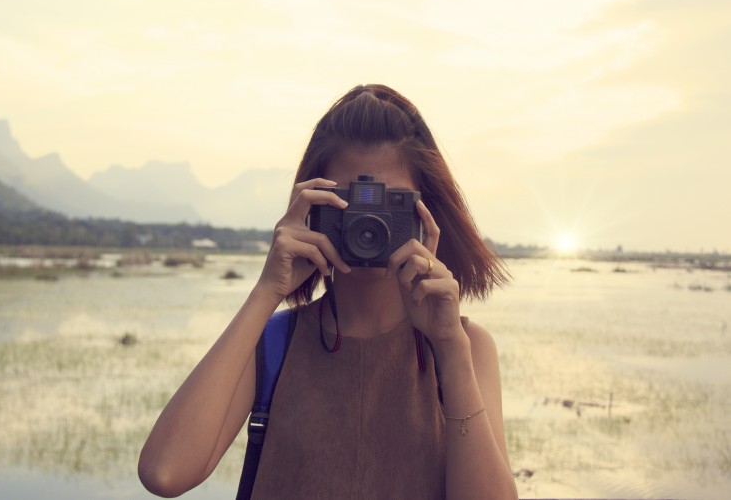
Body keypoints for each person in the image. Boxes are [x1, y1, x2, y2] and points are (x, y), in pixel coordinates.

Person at [138, 84, 518, 499]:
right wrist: (268, 291)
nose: (368, 223)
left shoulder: (466, 348)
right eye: (348, 202)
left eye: (388, 203)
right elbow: (164, 472)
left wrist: (450, 349)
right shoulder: (274, 344)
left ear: (425, 212)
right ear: (312, 204)